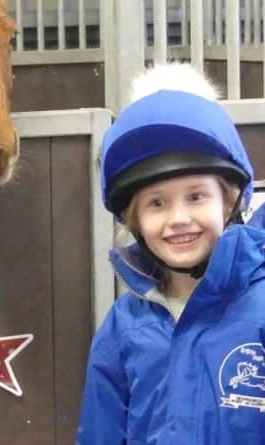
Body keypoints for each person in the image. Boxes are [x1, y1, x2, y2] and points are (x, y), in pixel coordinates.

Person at [77, 63, 265, 443]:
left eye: (196, 196)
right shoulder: (123, 327)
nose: (178, 219)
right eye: (157, 203)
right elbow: (101, 433)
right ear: (134, 220)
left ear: (228, 202)